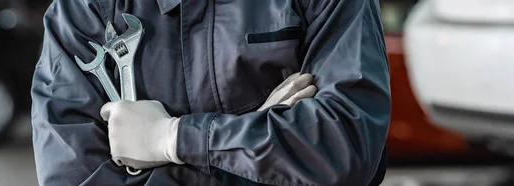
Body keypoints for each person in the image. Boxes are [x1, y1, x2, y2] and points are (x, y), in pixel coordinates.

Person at [31, 0, 391, 185]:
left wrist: (171, 140)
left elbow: (347, 147)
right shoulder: (83, 10)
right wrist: (258, 138)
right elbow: (74, 177)